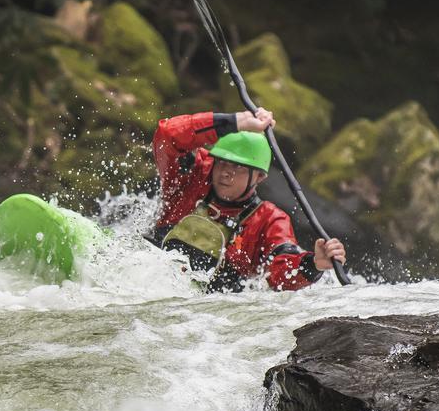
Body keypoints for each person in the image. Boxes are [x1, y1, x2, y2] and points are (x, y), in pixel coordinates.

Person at [145, 108, 346, 291]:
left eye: (238, 168)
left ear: (260, 177)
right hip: (147, 278)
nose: (226, 173)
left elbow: (280, 277)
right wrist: (235, 122)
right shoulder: (191, 175)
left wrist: (313, 264)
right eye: (222, 162)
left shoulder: (270, 220)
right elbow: (167, 135)